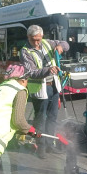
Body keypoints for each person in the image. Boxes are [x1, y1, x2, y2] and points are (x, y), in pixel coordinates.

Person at [20, 24, 70, 159]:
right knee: (40, 119)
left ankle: (50, 144)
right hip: (40, 89)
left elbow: (66, 43)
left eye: (38, 39)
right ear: (28, 37)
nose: (36, 43)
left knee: (52, 117)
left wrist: (61, 47)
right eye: (33, 40)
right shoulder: (25, 51)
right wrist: (48, 70)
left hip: (53, 85)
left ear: (42, 37)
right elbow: (31, 72)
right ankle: (40, 146)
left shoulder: (47, 43)